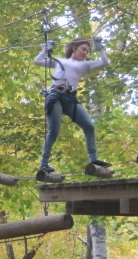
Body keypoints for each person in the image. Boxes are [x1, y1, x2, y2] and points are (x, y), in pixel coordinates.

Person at [34, 37, 110, 173]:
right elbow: (37, 61)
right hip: (55, 96)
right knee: (54, 130)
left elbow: (105, 62)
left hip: (70, 98)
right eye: (83, 49)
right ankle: (44, 164)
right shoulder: (59, 61)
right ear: (74, 48)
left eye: (87, 51)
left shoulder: (85, 65)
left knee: (89, 126)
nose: (85, 53)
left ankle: (93, 159)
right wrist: (46, 48)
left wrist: (99, 47)